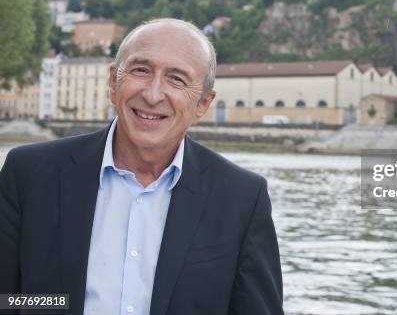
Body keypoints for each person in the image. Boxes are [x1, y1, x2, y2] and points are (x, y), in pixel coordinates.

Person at [0, 19, 284, 315]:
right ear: (113, 82)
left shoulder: (242, 199)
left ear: (203, 103)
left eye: (177, 79)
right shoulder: (29, 174)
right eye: (141, 70)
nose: (152, 94)